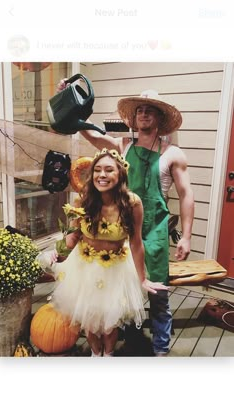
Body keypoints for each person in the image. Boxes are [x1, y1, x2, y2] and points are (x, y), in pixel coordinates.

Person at [57, 81, 195, 356]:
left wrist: (187, 236)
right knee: (120, 290)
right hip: (120, 230)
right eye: (140, 110)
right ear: (134, 117)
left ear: (160, 119)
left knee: (157, 293)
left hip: (153, 230)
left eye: (150, 111)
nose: (143, 115)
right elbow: (93, 137)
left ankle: (160, 349)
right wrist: (67, 100)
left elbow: (186, 194)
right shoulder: (123, 145)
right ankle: (129, 340)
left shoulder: (172, 153)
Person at [48, 149, 168, 356]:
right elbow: (74, 235)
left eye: (109, 170)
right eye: (97, 170)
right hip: (84, 265)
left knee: (110, 321)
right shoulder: (83, 201)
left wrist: (142, 279)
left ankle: (109, 354)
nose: (102, 175)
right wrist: (59, 250)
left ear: (120, 174)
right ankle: (96, 353)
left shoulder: (132, 203)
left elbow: (136, 243)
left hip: (116, 267)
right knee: (90, 317)